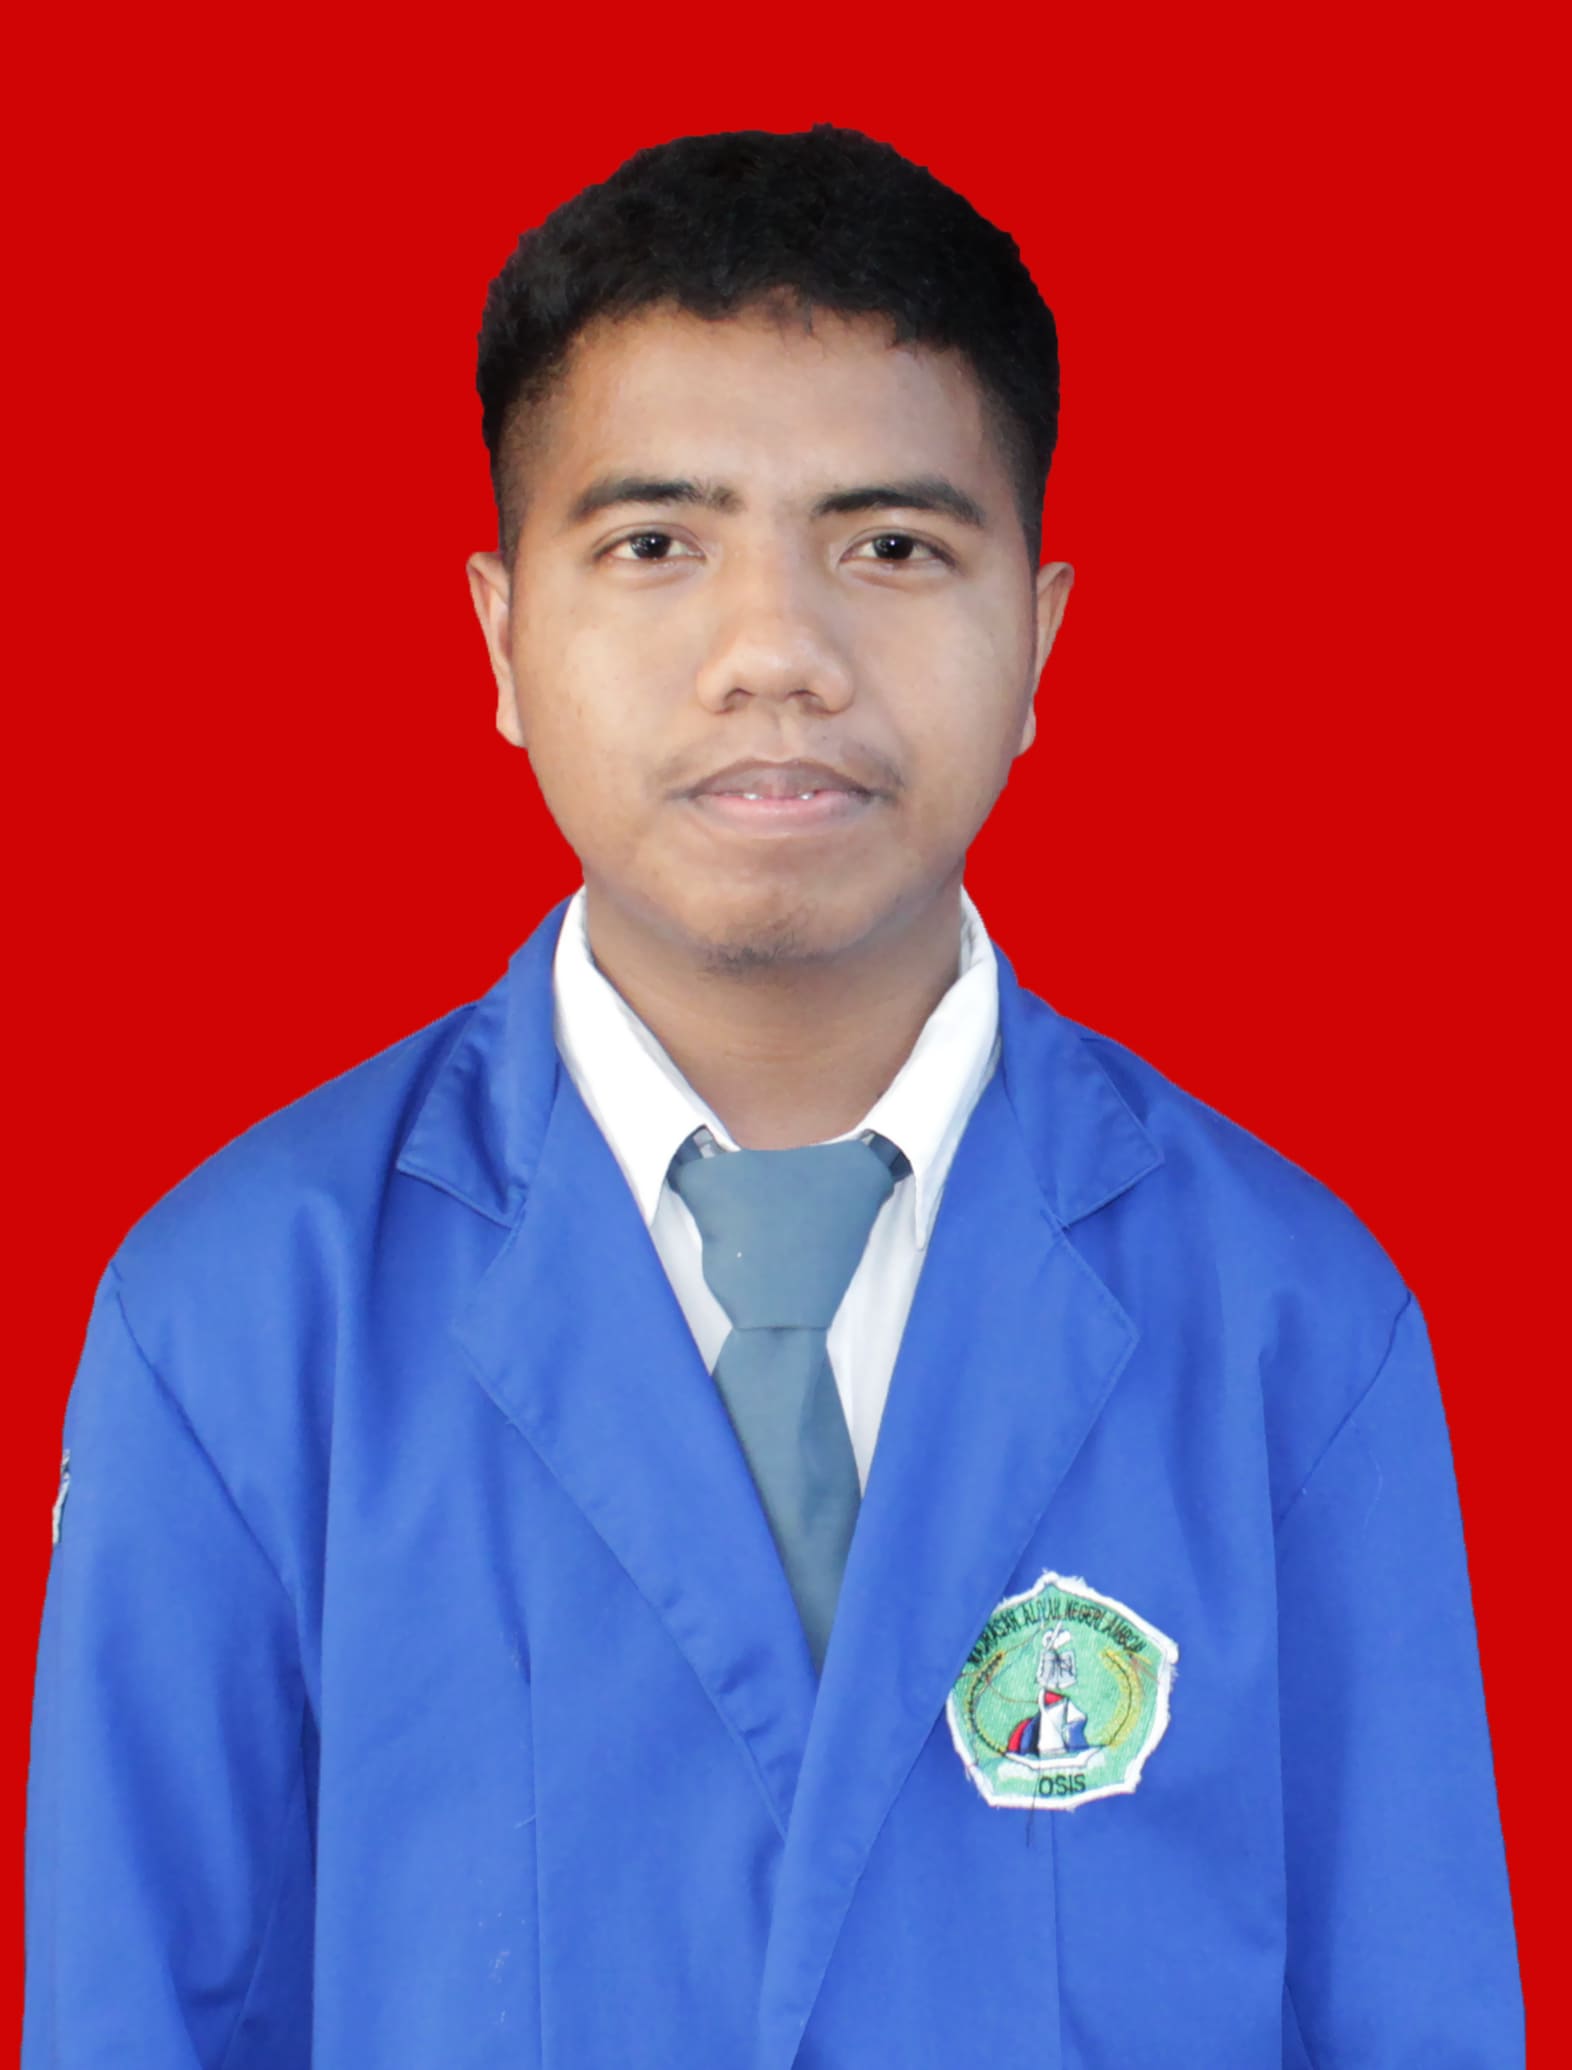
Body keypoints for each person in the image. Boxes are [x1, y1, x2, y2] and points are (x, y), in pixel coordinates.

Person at [22, 123, 1522, 2067]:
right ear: (502, 635)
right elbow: (139, 2015)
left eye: (891, 546)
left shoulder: (1292, 1322)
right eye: (657, 544)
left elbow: (1412, 2013)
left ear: (1042, 637)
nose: (777, 655)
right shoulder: (234, 1319)